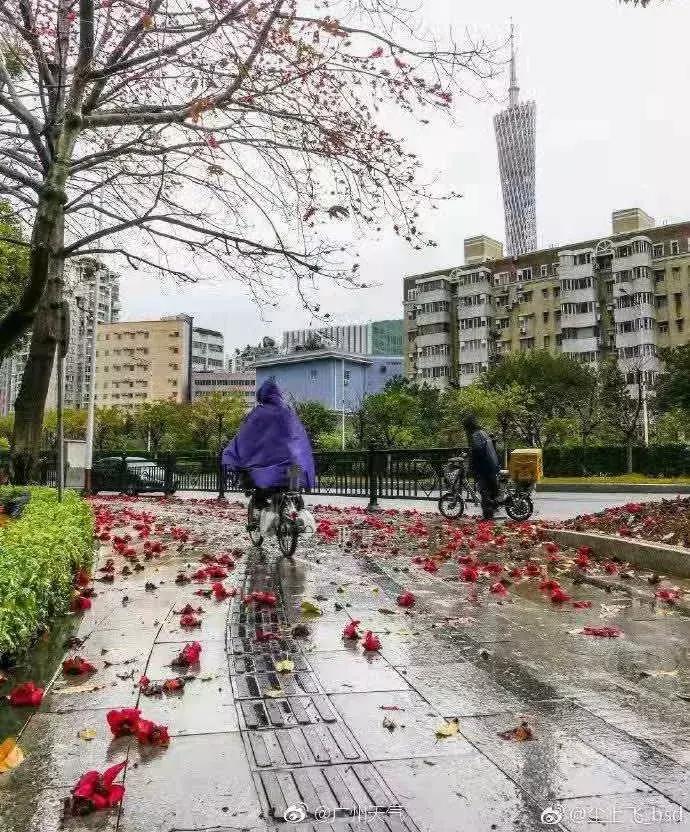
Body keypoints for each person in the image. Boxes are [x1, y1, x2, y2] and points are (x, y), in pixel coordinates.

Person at [222, 378, 315, 511]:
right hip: (294, 468)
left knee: (258, 482)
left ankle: (262, 504)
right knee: (294, 490)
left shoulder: (258, 413)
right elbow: (300, 438)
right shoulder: (288, 412)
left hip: (269, 470)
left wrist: (231, 452)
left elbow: (245, 438)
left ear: (262, 396)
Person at [463, 413, 500, 520]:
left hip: (484, 467)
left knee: (484, 491)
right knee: (492, 489)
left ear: (468, 427)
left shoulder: (474, 435)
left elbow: (478, 450)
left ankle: (488, 516)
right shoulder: (483, 433)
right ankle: (493, 509)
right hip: (493, 464)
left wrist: (471, 460)